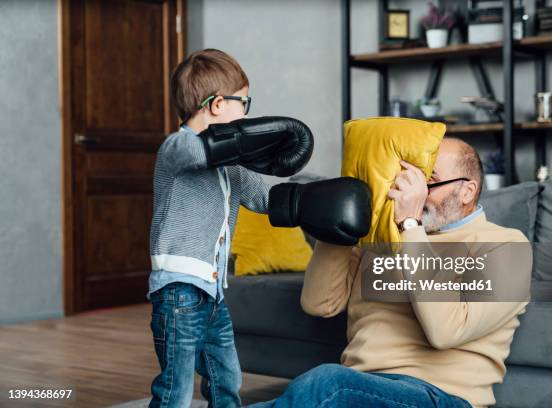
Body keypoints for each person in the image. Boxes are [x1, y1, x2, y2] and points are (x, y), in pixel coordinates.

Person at [251, 138, 531, 408]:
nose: (413, 193)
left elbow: (446, 331)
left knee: (327, 385)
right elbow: (318, 304)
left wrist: (410, 223)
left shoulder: (505, 245)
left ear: (467, 191)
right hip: (362, 387)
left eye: (428, 182)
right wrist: (338, 223)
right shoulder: (382, 238)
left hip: (440, 396)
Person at [148, 49, 315, 408]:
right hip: (178, 291)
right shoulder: (176, 149)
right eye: (245, 102)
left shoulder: (231, 168)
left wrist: (318, 200)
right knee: (175, 390)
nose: (247, 112)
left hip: (213, 294)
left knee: (227, 378)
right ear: (218, 104)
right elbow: (195, 152)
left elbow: (267, 200)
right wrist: (253, 140)